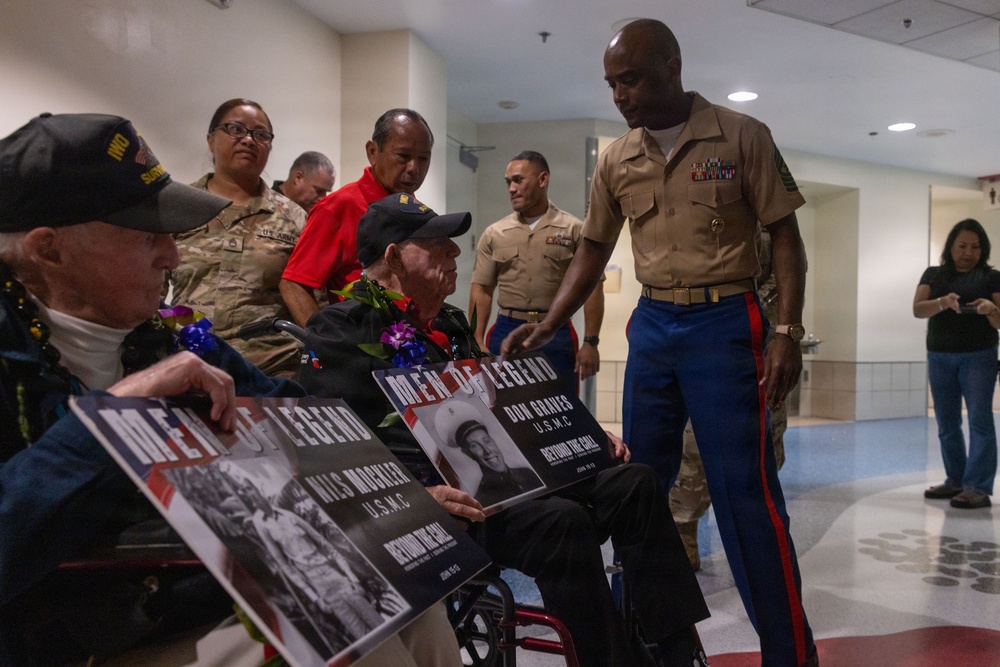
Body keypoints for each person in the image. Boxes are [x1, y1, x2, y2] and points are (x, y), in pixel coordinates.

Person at [0, 113, 460, 667]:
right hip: (65, 634)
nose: (172, 256)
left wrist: (394, 495)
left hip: (197, 596)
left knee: (414, 602)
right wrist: (115, 416)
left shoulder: (168, 340)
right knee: (359, 640)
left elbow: (293, 414)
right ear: (49, 250)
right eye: (147, 236)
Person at [501, 19, 819, 667]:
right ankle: (650, 646)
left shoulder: (741, 135)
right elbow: (594, 247)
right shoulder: (617, 158)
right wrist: (552, 321)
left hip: (725, 322)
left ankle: (791, 655)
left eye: (633, 79)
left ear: (673, 67)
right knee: (636, 487)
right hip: (652, 324)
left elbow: (785, 235)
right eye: (612, 84)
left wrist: (787, 328)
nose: (621, 95)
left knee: (745, 496)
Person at [298, 192, 712, 667]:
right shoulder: (341, 329)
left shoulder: (451, 323)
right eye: (437, 245)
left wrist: (585, 437)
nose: (455, 252)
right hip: (438, 507)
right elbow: (333, 446)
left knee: (634, 482)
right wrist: (418, 495)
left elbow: (503, 403)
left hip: (511, 480)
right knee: (562, 522)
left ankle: (677, 653)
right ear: (394, 257)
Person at [670, 229, 790, 569]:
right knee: (693, 449)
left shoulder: (774, 227)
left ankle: (753, 543)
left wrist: (780, 336)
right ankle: (683, 534)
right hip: (703, 342)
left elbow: (784, 281)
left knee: (762, 448)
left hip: (758, 346)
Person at [167, 98, 307, 379]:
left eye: (261, 134)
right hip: (190, 365)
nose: (249, 140)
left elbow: (313, 303)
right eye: (236, 129)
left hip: (272, 373)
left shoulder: (294, 217)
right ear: (210, 140)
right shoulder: (178, 206)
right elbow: (147, 293)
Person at [279, 108, 434, 326]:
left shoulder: (416, 210)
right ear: (373, 152)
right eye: (403, 156)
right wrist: (326, 339)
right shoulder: (339, 207)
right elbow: (293, 284)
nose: (414, 168)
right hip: (366, 340)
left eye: (423, 158)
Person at [470, 151, 603, 394]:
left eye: (518, 180)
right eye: (508, 182)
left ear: (542, 180)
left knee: (561, 406)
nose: (511, 188)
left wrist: (591, 342)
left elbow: (592, 287)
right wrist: (476, 339)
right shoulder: (495, 234)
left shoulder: (573, 229)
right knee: (501, 405)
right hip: (506, 330)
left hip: (556, 332)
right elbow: (482, 289)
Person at [913, 218, 1000, 510]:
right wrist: (942, 302)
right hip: (940, 356)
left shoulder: (991, 277)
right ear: (951, 246)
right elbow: (918, 309)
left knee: (979, 420)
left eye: (975, 247)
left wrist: (991, 309)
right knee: (947, 423)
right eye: (962, 246)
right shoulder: (934, 274)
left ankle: (978, 487)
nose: (968, 252)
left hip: (979, 357)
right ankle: (956, 480)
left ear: (983, 249)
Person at [434, 404, 544, 507]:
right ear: (468, 454)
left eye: (487, 441)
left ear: (493, 441)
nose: (487, 451)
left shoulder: (527, 473)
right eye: (475, 446)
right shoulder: (482, 500)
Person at [272, 150, 336, 213]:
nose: (323, 200)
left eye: (325, 193)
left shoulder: (312, 211)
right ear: (298, 178)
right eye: (319, 191)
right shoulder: (268, 210)